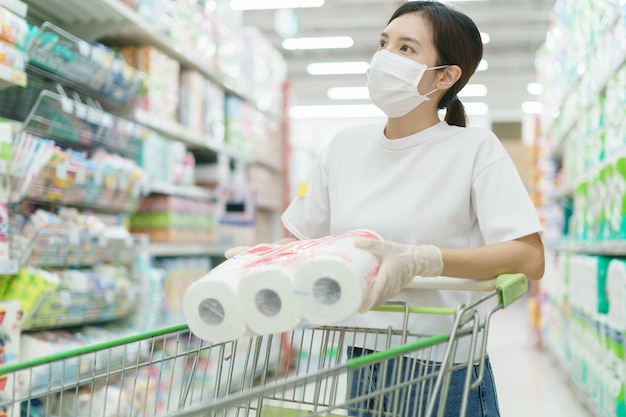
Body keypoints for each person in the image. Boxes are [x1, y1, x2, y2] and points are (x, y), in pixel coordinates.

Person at [227, 1, 544, 416]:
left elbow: (529, 257)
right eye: (383, 43)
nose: (384, 58)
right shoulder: (344, 147)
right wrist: (263, 261)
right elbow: (301, 242)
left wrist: (425, 261)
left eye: (406, 49)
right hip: (362, 360)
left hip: (443, 365)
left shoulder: (474, 149)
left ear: (446, 76)